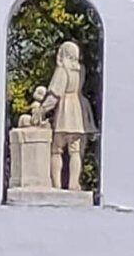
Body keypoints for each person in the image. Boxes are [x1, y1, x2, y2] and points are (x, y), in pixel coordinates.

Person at [38, 41, 97, 190]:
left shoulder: (63, 70)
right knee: (75, 150)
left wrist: (42, 109)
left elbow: (55, 94)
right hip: (77, 112)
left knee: (56, 149)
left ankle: (56, 185)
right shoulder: (80, 69)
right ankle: (73, 184)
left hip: (65, 111)